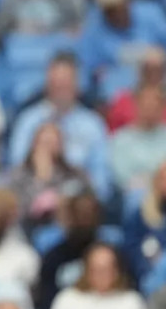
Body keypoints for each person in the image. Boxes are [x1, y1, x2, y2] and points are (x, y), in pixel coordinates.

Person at [8, 53, 110, 200]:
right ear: (47, 82)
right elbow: (16, 166)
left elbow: (102, 179)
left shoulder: (93, 124)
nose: (61, 86)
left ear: (77, 83)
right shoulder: (28, 120)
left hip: (79, 202)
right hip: (33, 198)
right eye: (56, 80)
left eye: (66, 81)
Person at [9, 123, 90, 234]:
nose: (48, 148)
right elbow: (23, 211)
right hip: (29, 230)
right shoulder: (19, 175)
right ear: (34, 145)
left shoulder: (74, 174)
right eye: (44, 143)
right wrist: (42, 177)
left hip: (68, 230)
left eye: (53, 143)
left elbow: (86, 200)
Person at [35, 192, 105, 309]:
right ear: (69, 218)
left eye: (89, 214)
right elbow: (47, 305)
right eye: (80, 214)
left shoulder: (109, 256)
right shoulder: (54, 258)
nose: (84, 220)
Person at [111, 85, 166, 191]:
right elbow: (122, 177)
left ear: (164, 107)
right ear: (136, 105)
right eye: (146, 105)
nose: (150, 110)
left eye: (155, 105)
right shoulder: (121, 140)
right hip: (135, 195)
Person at [123, 160, 166, 283]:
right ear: (157, 182)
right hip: (153, 274)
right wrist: (145, 271)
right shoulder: (141, 213)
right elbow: (132, 247)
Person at [108, 46, 166, 131]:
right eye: (148, 69)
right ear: (140, 70)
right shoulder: (123, 102)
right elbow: (115, 135)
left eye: (159, 69)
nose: (154, 74)